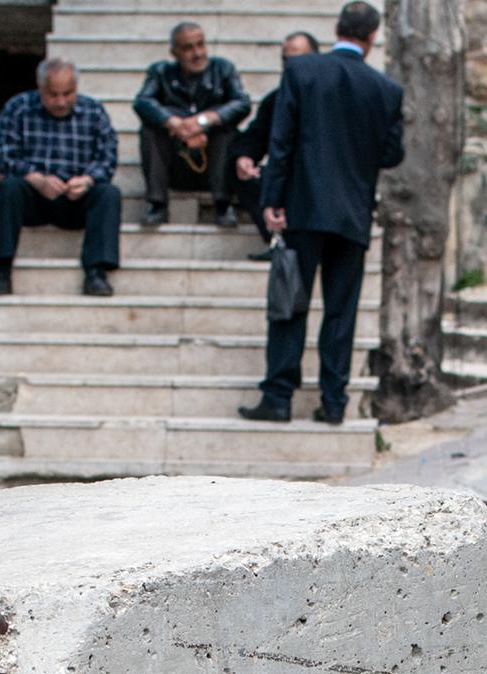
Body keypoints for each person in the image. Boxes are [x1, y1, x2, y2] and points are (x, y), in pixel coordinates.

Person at [240, 2, 403, 425]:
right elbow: (392, 153)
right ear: (372, 38)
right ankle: (334, 403)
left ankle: (278, 397)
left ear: (337, 29)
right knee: (341, 311)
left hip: (302, 207)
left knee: (290, 301)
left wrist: (272, 198)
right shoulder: (385, 90)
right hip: (353, 215)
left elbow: (282, 139)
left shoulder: (302, 72)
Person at [0, 58, 121, 297]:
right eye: (53, 94)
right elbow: (6, 157)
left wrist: (87, 180)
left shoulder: (93, 111)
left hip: (77, 198)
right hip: (34, 196)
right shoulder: (17, 108)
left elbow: (107, 157)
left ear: (76, 88)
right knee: (8, 188)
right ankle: (1, 271)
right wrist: (35, 178)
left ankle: (96, 272)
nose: (60, 101)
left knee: (108, 193)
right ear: (40, 88)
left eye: (67, 94)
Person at [134, 23, 251, 227]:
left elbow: (242, 103)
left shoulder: (223, 69)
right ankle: (157, 203)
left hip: (214, 161)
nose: (197, 53)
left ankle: (223, 203)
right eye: (188, 48)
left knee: (227, 130)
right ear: (174, 52)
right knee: (150, 130)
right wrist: (175, 124)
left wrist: (203, 122)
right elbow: (142, 102)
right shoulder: (160, 72)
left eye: (200, 45)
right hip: (177, 161)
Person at [233, 32, 321, 260]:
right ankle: (278, 239)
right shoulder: (276, 99)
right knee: (245, 174)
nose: (291, 66)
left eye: (298, 59)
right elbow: (256, 135)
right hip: (283, 176)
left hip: (319, 179)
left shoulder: (328, 97)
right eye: (286, 60)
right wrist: (245, 157)